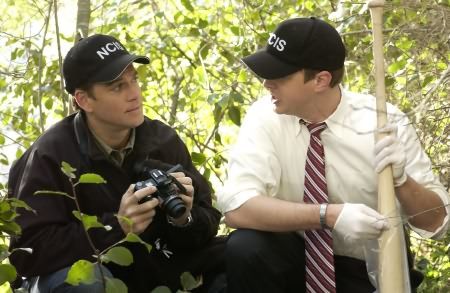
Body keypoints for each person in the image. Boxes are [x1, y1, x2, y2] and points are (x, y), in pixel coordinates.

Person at [218, 17, 449, 293]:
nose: (267, 84)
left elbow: (436, 224)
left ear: (320, 80)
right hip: (293, 260)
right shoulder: (263, 116)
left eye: (280, 76)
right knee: (246, 247)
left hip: (365, 268)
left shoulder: (385, 122)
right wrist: (328, 215)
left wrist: (402, 180)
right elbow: (236, 208)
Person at [8, 34, 225, 293]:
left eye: (134, 80)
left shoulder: (162, 140)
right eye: (117, 86)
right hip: (93, 278)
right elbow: (27, 254)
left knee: (243, 252)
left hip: (156, 271)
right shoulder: (49, 156)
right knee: (85, 282)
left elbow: (208, 219)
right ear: (83, 100)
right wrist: (116, 225)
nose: (134, 94)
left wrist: (185, 219)